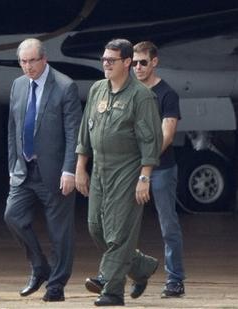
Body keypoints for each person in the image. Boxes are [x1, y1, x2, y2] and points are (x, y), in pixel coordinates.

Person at [75, 38, 162, 307]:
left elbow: (151, 140)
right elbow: (85, 131)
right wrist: (80, 167)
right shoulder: (97, 90)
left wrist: (144, 177)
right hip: (100, 168)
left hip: (128, 170)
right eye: (103, 59)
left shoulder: (142, 96)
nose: (106, 64)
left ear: (127, 62)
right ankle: (140, 267)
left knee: (119, 232)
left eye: (111, 60)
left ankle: (110, 287)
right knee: (96, 227)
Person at [4, 38, 82, 302]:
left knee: (60, 231)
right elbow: (12, 129)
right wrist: (12, 165)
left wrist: (70, 170)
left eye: (32, 61)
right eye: (23, 62)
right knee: (12, 216)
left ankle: (56, 285)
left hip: (55, 170)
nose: (28, 67)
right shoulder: (17, 85)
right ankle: (40, 267)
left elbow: (74, 134)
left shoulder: (64, 86)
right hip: (24, 169)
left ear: (44, 59)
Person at [133, 41, 185, 298]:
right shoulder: (128, 91)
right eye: (134, 63)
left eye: (143, 62)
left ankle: (175, 278)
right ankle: (122, 272)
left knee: (168, 224)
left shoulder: (167, 94)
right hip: (131, 168)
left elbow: (168, 134)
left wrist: (147, 166)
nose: (138, 67)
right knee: (120, 224)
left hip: (162, 168)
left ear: (155, 62)